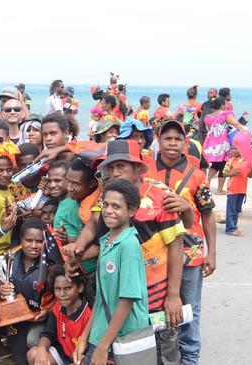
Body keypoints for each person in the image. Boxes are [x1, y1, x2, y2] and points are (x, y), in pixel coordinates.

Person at [63, 139, 189, 365]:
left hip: (156, 299)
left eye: (121, 166)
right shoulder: (109, 195)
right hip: (121, 300)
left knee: (161, 354)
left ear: (138, 168)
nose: (114, 172)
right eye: (110, 167)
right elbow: (95, 225)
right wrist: (78, 249)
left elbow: (176, 245)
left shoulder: (161, 196)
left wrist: (173, 294)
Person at [145, 120, 217, 365]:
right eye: (168, 138)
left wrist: (212, 253)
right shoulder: (144, 170)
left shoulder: (197, 176)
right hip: (154, 255)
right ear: (159, 141)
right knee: (156, 312)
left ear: (185, 143)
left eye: (178, 139)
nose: (173, 143)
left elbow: (207, 215)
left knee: (189, 313)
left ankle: (189, 361)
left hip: (191, 254)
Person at [73, 179, 150, 365]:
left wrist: (102, 347)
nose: (108, 211)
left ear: (131, 211)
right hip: (101, 335)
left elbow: (127, 300)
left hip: (121, 338)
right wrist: (84, 338)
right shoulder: (106, 241)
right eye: (105, 205)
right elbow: (102, 300)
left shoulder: (128, 244)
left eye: (116, 206)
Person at [0, 218, 50, 364]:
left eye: (39, 241)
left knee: (33, 340)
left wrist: (50, 310)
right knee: (19, 356)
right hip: (15, 316)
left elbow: (62, 293)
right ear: (21, 239)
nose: (34, 246)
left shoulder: (51, 262)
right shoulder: (9, 257)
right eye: (29, 240)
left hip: (39, 318)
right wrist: (0, 288)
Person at [26, 266, 92, 365]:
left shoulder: (89, 314)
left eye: (67, 288)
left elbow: (92, 354)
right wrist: (42, 348)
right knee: (33, 354)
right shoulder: (58, 306)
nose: (62, 294)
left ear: (80, 288)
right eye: (57, 288)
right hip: (63, 353)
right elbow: (48, 333)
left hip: (81, 360)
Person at [53, 157, 100, 275]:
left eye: (75, 184)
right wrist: (67, 239)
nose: (69, 187)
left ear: (92, 183)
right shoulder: (65, 208)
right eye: (67, 181)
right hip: (83, 271)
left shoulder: (106, 199)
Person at [204, 96, 245, 195]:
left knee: (215, 166)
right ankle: (219, 190)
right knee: (223, 166)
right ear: (222, 105)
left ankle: (206, 185)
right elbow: (237, 124)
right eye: (225, 103)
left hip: (212, 145)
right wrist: (244, 134)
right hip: (222, 145)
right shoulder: (225, 114)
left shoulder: (208, 117)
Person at [223, 145, 252, 236]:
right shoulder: (231, 160)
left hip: (242, 188)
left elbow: (250, 175)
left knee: (237, 210)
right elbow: (224, 174)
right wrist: (231, 173)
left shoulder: (247, 161)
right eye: (232, 149)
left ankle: (233, 227)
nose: (233, 151)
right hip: (232, 188)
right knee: (231, 209)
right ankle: (230, 228)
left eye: (235, 149)